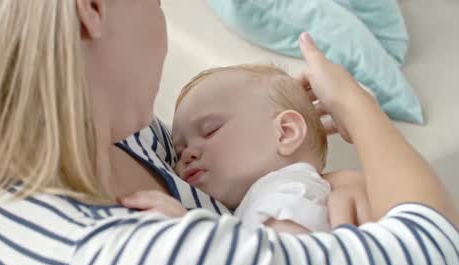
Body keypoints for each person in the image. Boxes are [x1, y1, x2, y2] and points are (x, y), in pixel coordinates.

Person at [0, 0, 458, 265]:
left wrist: (329, 186)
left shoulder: (67, 150)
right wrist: (358, 106)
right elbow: (439, 251)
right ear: (92, 10)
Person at [140, 64, 371, 234]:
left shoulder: (289, 194)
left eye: (210, 130)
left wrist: (195, 235)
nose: (186, 156)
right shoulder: (272, 196)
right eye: (179, 152)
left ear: (285, 132)